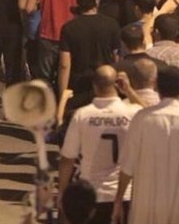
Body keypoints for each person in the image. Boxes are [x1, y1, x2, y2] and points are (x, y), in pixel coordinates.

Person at [113, 65, 179, 224]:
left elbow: (126, 169)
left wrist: (118, 202)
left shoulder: (141, 120)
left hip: (144, 214)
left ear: (156, 86)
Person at [59, 66, 141, 224]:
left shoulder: (82, 115)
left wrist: (62, 193)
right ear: (117, 84)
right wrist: (130, 91)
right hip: (124, 194)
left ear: (94, 86)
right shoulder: (132, 113)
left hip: (91, 194)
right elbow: (150, 114)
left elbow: (67, 159)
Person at [26, 0, 87, 84]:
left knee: (45, 77)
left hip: (48, 33)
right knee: (69, 74)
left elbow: (29, 8)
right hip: (73, 34)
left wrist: (43, 3)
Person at [58, 0, 121, 110]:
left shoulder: (69, 28)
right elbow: (116, 57)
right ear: (97, 1)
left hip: (78, 82)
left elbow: (64, 65)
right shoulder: (111, 24)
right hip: (104, 81)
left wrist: (62, 97)